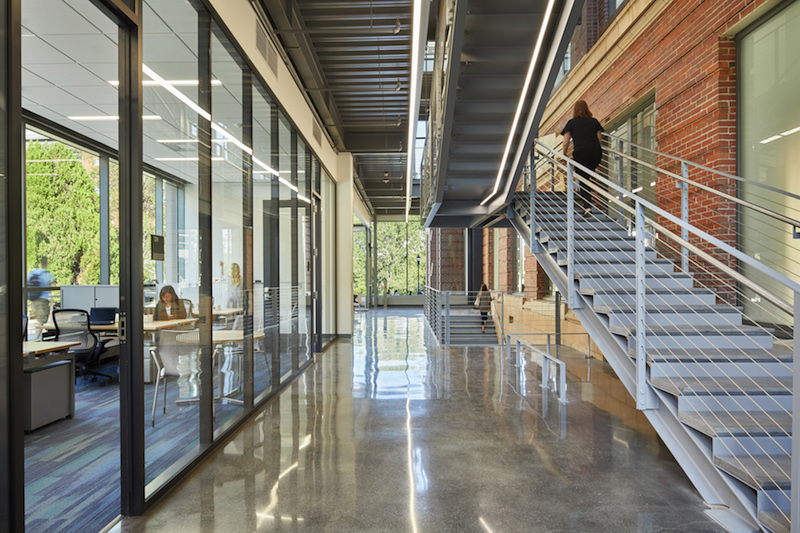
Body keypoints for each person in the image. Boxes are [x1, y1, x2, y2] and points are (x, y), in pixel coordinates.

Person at [561, 99, 604, 216]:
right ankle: (586, 202)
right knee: (587, 176)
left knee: (583, 178)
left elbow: (566, 142)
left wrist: (564, 154)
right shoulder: (594, 122)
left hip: (581, 153)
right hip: (596, 153)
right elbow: (599, 139)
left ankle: (587, 206)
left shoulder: (572, 123)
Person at [27, 257, 54, 324]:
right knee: (42, 320)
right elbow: (49, 283)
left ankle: (38, 334)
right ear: (46, 263)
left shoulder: (34, 272)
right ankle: (37, 335)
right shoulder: (46, 273)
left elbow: (27, 281)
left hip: (34, 298)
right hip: (42, 299)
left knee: (41, 319)